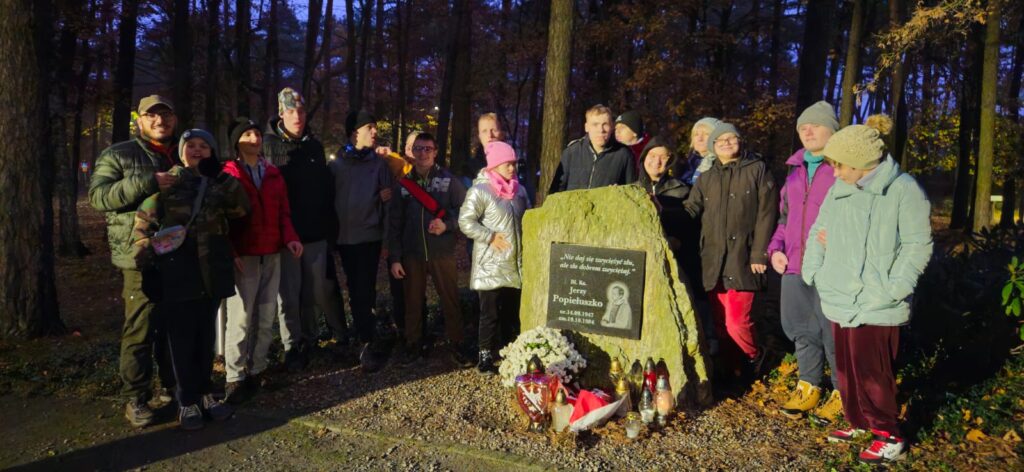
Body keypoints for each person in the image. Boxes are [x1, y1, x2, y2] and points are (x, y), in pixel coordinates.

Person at [802, 116, 932, 464]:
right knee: (845, 368)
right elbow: (819, 230)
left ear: (862, 163)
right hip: (839, 293)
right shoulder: (840, 188)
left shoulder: (903, 190)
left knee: (873, 371)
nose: (835, 172)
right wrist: (815, 270)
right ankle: (859, 421)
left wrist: (896, 287)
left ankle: (888, 434)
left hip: (877, 300)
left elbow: (918, 245)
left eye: (839, 165)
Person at [131, 129, 249, 430]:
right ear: (181, 150)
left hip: (211, 271)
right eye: (191, 146)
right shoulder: (167, 183)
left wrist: (221, 177)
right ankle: (186, 400)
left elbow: (241, 209)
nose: (197, 151)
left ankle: (206, 393)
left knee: (205, 337)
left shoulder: (217, 183)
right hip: (178, 273)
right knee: (180, 340)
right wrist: (147, 263)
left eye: (204, 146)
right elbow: (142, 226)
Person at [88, 95, 180, 427]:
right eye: (151, 116)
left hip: (178, 255)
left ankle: (174, 387)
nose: (160, 121)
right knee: (140, 329)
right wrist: (147, 182)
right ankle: (137, 398)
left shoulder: (183, 150)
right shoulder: (119, 154)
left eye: (166, 114)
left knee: (173, 326)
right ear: (139, 121)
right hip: (138, 257)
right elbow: (98, 197)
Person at [683, 122, 777, 385]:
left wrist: (760, 253)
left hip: (744, 258)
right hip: (714, 259)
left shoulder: (757, 170)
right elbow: (691, 210)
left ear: (740, 141)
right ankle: (730, 371)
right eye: (719, 140)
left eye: (731, 138)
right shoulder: (706, 177)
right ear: (712, 147)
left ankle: (752, 361)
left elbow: (767, 213)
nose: (725, 143)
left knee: (737, 321)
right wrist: (659, 210)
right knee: (720, 323)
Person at [767, 101, 842, 421]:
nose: (807, 131)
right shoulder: (795, 170)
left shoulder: (844, 167)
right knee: (801, 329)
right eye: (801, 128)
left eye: (814, 125)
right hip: (794, 264)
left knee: (834, 331)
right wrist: (775, 249)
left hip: (831, 266)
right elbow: (785, 217)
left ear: (833, 130)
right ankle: (809, 386)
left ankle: (843, 390)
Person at [263, 87, 346, 372]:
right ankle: (292, 345)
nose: (296, 116)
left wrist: (329, 229)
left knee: (315, 291)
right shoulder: (267, 146)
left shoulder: (314, 146)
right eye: (290, 112)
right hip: (285, 236)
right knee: (289, 295)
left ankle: (314, 338)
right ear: (280, 114)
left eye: (300, 111)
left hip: (315, 232)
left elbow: (325, 189)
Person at [222, 118, 303, 402]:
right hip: (244, 256)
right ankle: (234, 375)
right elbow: (222, 220)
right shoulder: (227, 174)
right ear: (236, 142)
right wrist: (231, 252)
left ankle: (258, 369)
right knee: (242, 316)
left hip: (272, 253)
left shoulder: (272, 174)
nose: (255, 138)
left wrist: (291, 237)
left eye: (257, 133)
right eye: (247, 134)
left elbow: (283, 212)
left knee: (267, 314)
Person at [389, 132, 471, 367]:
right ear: (411, 152)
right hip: (412, 254)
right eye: (418, 149)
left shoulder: (448, 181)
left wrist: (447, 225)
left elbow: (467, 211)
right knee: (412, 302)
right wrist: (395, 258)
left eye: (428, 149)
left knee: (450, 300)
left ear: (435, 152)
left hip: (442, 252)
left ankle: (457, 344)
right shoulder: (403, 185)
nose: (423, 153)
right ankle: (413, 345)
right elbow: (394, 224)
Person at [331, 110, 395, 373]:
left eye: (375, 127)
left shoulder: (379, 164)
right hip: (344, 238)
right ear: (354, 132)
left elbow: (390, 203)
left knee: (364, 288)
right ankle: (360, 335)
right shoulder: (335, 165)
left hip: (369, 236)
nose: (375, 132)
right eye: (370, 127)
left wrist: (387, 235)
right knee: (354, 288)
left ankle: (367, 339)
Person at [459, 141, 531, 374]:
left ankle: (511, 351)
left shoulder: (519, 191)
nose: (512, 168)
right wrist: (489, 236)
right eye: (507, 164)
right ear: (495, 165)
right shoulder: (480, 191)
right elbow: (465, 222)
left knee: (512, 311)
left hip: (515, 263)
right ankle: (485, 355)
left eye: (514, 163)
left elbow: (528, 218)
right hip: (490, 263)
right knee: (489, 313)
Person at [551, 104, 636, 193]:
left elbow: (631, 192)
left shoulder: (624, 155)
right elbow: (556, 192)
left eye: (605, 124)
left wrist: (620, 192)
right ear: (586, 127)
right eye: (595, 124)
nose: (601, 130)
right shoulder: (571, 152)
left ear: (612, 127)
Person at [672, 117, 721, 185]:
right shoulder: (687, 163)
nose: (700, 139)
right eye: (696, 134)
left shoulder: (721, 165)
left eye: (706, 134)